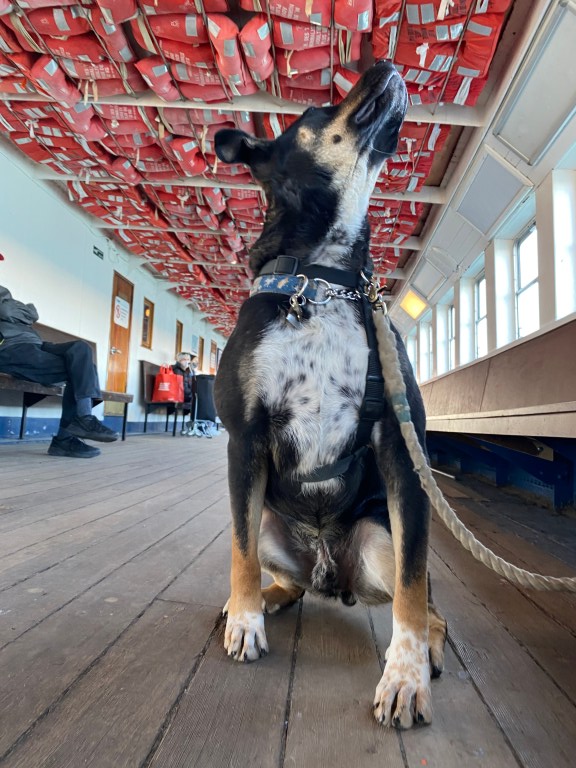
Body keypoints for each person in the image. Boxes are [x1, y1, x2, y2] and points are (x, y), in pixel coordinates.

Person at [0, 285, 119, 458]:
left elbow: (24, 312)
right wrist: (22, 311)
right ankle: (69, 436)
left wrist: (19, 311)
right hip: (11, 349)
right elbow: (10, 310)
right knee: (79, 370)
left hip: (37, 345)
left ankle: (82, 422)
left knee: (81, 350)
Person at [171, 351, 198, 435]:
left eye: (188, 359)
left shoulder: (188, 370)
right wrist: (192, 393)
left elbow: (193, 383)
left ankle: (194, 427)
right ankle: (193, 427)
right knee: (197, 401)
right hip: (179, 395)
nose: (187, 361)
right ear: (179, 360)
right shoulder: (176, 370)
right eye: (184, 359)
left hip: (185, 394)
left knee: (200, 399)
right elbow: (181, 386)